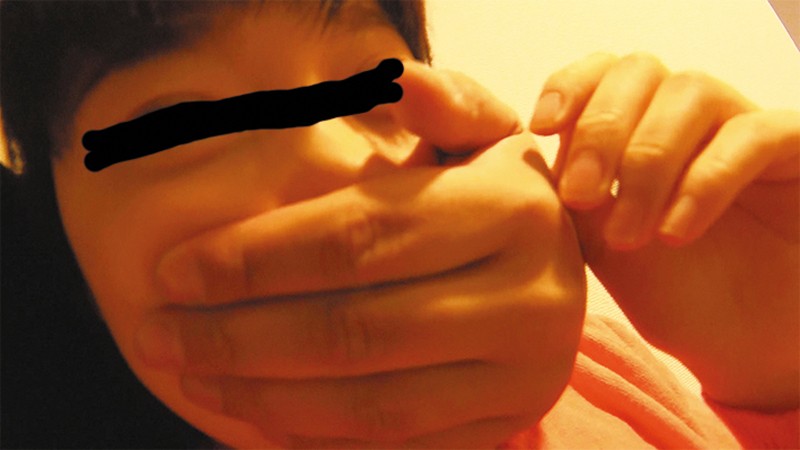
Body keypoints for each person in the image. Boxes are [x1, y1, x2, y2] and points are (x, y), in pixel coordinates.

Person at [1, 0, 797, 448]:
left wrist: (774, 369)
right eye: (177, 122)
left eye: (370, 88)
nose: (333, 158)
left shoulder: (593, 364)